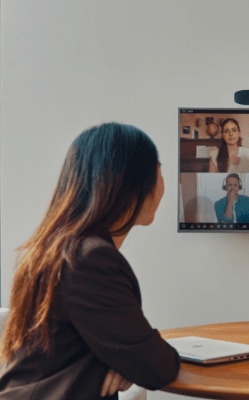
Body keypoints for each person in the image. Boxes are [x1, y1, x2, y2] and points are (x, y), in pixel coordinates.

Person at [0, 123, 180, 399]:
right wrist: (132, 363)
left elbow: (127, 353)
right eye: (159, 168)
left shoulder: (57, 248)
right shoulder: (90, 259)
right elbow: (158, 367)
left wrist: (125, 362)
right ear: (129, 182)